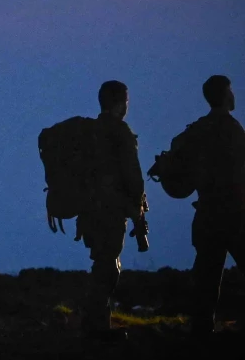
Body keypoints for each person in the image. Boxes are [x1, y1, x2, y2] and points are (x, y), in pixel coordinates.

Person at [187, 75, 245, 339]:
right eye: (231, 91)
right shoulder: (236, 130)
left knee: (207, 278)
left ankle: (201, 331)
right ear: (224, 95)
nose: (234, 96)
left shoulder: (198, 129)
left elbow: (176, 163)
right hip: (240, 216)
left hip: (208, 215)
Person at [77, 80, 145, 340]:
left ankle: (96, 322)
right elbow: (132, 176)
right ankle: (96, 326)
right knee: (108, 267)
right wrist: (136, 205)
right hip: (111, 210)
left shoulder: (90, 132)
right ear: (119, 102)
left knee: (102, 263)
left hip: (89, 211)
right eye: (126, 100)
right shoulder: (119, 131)